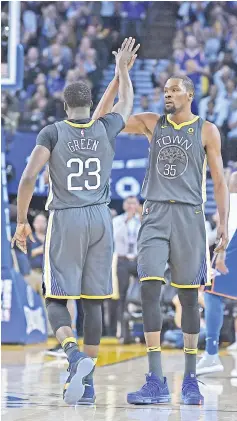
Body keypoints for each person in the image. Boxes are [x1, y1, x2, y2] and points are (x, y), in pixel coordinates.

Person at [93, 50, 229, 405]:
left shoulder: (207, 130)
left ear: (189, 95)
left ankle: (190, 379)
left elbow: (218, 184)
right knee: (148, 289)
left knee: (187, 296)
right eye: (165, 90)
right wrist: (120, 73)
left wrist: (224, 229)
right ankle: (155, 378)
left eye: (173, 90)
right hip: (154, 215)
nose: (167, 94)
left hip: (190, 216)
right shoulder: (152, 123)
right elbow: (104, 118)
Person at [11, 37, 140, 406]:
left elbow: (28, 178)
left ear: (65, 105)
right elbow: (126, 102)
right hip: (101, 218)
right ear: (88, 106)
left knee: (55, 297)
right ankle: (90, 386)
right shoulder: (106, 128)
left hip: (66, 218)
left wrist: (22, 221)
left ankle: (73, 354)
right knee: (94, 301)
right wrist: (122, 72)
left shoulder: (52, 132)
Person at [197, 171, 237, 375]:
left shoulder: (233, 193)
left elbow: (228, 226)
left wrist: (220, 256)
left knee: (211, 294)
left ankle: (211, 354)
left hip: (231, 247)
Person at [112, 196, 141, 342]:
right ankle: (124, 333)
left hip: (138, 260)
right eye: (128, 203)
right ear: (124, 205)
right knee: (122, 296)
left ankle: (141, 331)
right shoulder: (117, 221)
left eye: (133, 203)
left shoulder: (142, 221)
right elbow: (114, 237)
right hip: (122, 259)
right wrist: (126, 221)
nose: (131, 206)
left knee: (143, 295)